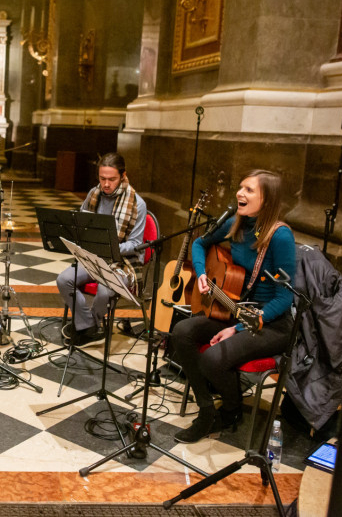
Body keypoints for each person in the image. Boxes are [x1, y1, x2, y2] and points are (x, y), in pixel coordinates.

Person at [171, 170, 295, 443]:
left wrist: (236, 329)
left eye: (249, 190)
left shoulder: (280, 236)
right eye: (240, 187)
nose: (240, 193)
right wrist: (201, 273)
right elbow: (199, 243)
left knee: (213, 358)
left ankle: (230, 410)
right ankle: (206, 409)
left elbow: (284, 298)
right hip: (236, 310)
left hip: (271, 324)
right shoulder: (236, 223)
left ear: (267, 199)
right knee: (181, 331)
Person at [56, 153, 147, 346]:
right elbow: (81, 221)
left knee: (105, 292)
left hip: (122, 261)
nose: (106, 184)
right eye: (102, 178)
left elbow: (136, 244)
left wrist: (109, 247)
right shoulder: (94, 194)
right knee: (64, 280)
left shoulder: (137, 204)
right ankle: (89, 326)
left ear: (123, 175)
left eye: (111, 179)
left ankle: (88, 326)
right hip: (94, 256)